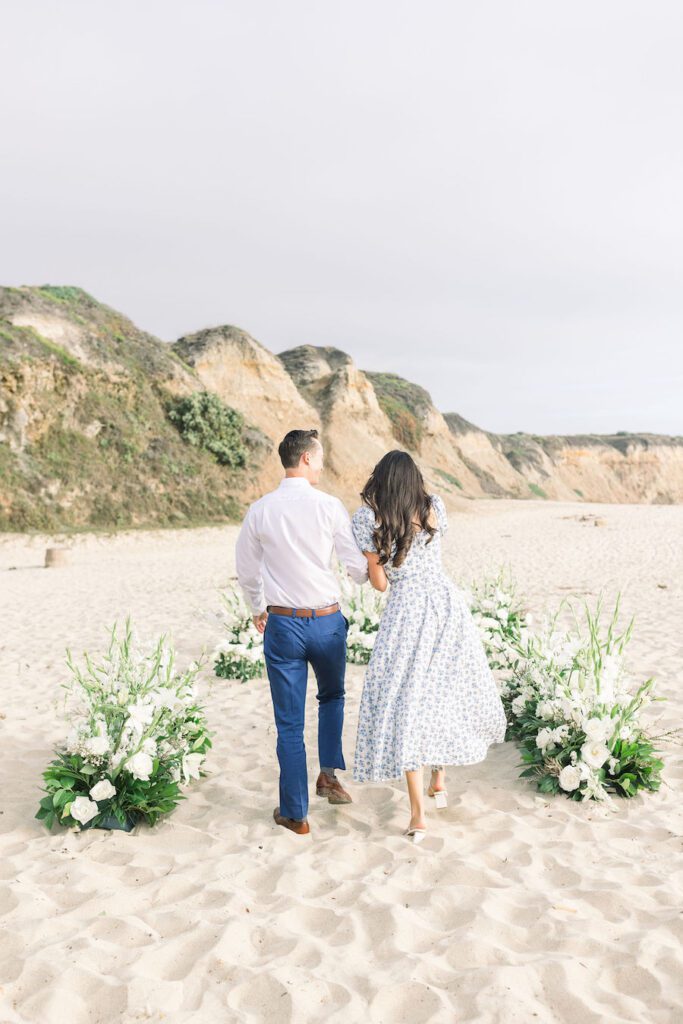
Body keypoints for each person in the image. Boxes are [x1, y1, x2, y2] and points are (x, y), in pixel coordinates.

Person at [350, 450, 507, 843]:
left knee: (406, 701)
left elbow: (382, 584)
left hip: (407, 613)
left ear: (381, 480)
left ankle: (418, 814)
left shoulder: (369, 518)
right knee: (442, 690)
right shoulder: (434, 507)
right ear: (415, 479)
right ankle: (440, 776)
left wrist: (376, 563)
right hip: (446, 605)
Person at [235, 428, 369, 836]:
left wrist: (258, 609)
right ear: (307, 458)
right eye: (321, 456)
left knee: (289, 723)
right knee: (332, 697)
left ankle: (296, 814)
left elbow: (246, 568)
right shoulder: (329, 507)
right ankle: (328, 775)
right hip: (327, 621)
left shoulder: (260, 509)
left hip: (283, 624)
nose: (324, 464)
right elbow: (357, 570)